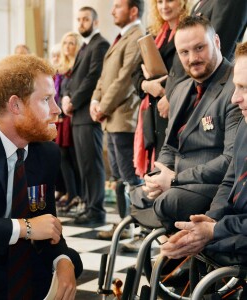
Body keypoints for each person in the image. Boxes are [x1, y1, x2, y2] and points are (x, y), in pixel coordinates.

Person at [0, 54, 82, 300]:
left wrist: (63, 259)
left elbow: (46, 223)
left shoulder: (46, 152)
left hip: (11, 260)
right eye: (46, 99)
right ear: (15, 106)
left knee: (71, 262)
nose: (57, 109)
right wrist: (25, 227)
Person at [129, 16, 241, 236]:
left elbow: (230, 160)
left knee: (168, 202)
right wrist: (156, 177)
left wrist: (174, 179)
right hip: (178, 183)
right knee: (137, 193)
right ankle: (177, 258)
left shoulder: (236, 87)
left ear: (216, 42)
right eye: (184, 52)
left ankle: (180, 258)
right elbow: (170, 146)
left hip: (212, 187)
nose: (193, 58)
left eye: (200, 48)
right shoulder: (180, 89)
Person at [161, 41, 247, 260]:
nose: (235, 98)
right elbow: (230, 183)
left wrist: (216, 229)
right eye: (236, 86)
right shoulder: (244, 126)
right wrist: (210, 220)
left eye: (244, 88)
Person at [121, 0, 189, 252]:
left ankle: (169, 241)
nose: (164, 5)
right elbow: (135, 75)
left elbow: (183, 74)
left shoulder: (186, 33)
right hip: (153, 112)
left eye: (170, 0)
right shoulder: (157, 36)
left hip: (175, 112)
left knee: (165, 170)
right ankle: (157, 236)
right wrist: (146, 86)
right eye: (159, 1)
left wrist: (167, 92)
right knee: (152, 174)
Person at [91, 0, 145, 231]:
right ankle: (125, 224)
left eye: (118, 6)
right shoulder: (122, 37)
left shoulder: (137, 36)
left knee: (130, 178)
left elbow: (124, 80)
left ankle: (138, 225)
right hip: (111, 118)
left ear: (133, 10)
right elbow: (104, 77)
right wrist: (95, 100)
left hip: (124, 117)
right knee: (119, 178)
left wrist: (102, 107)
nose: (112, 10)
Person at [62, 7, 110, 224]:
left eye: (86, 19)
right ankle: (89, 206)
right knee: (84, 165)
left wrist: (72, 100)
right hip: (77, 115)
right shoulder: (84, 47)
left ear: (95, 22)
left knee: (92, 164)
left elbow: (93, 78)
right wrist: (65, 95)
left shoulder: (100, 44)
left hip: (87, 114)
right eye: (79, 19)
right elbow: (72, 79)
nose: (81, 23)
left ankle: (96, 210)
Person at [54, 32, 83, 212]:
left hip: (73, 118)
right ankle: (71, 193)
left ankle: (76, 194)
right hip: (61, 118)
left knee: (73, 158)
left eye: (71, 43)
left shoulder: (76, 67)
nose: (67, 46)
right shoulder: (63, 69)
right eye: (65, 43)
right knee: (63, 157)